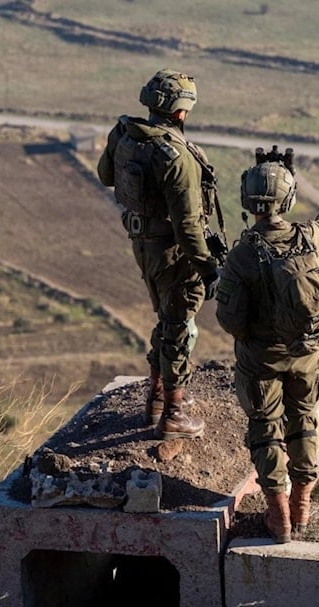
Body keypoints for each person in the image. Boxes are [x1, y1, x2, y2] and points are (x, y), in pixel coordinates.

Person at [215, 150, 319, 543]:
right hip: (306, 354)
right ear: (287, 201)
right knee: (304, 418)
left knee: (266, 429)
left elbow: (230, 321)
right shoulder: (311, 239)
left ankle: (279, 518)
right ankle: (302, 507)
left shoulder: (241, 256)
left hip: (261, 359)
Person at [97, 68, 221, 440]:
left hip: (144, 243)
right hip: (172, 252)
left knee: (167, 317)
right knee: (180, 325)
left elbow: (106, 175)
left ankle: (156, 400)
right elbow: (188, 227)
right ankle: (174, 414)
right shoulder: (176, 156)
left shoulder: (127, 136)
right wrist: (208, 267)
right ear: (182, 112)